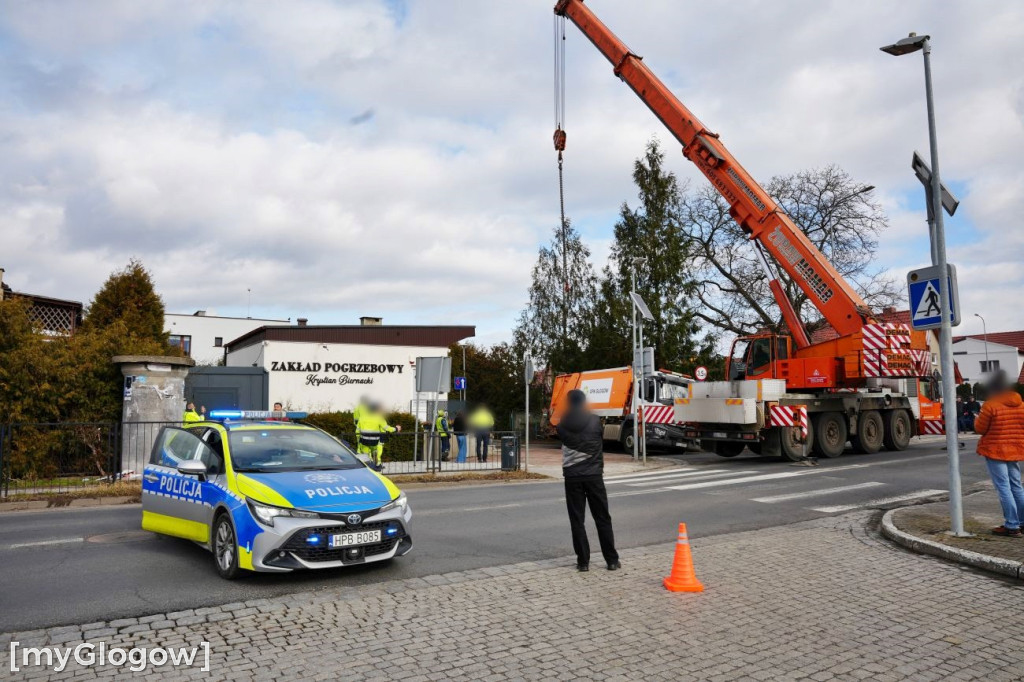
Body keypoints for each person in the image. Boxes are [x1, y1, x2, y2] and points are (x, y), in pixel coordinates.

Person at [557, 389, 620, 572]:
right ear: (584, 402)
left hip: (572, 478)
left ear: (569, 403)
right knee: (602, 518)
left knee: (577, 520)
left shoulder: (562, 425)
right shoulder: (595, 421)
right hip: (594, 476)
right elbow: (599, 439)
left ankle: (583, 562)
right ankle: (612, 561)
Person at [973, 370, 1024, 537]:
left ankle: (1012, 525)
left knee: (1003, 487)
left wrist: (976, 418)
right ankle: (1022, 522)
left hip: (995, 450)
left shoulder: (990, 405)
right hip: (1015, 450)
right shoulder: (1021, 404)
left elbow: (980, 428)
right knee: (1016, 486)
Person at [357, 402, 401, 471]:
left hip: (364, 440)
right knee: (377, 453)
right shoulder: (379, 418)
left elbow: (358, 430)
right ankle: (377, 466)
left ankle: (369, 467)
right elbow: (386, 428)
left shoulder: (362, 418)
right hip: (375, 441)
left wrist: (358, 440)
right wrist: (396, 429)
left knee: (366, 455)